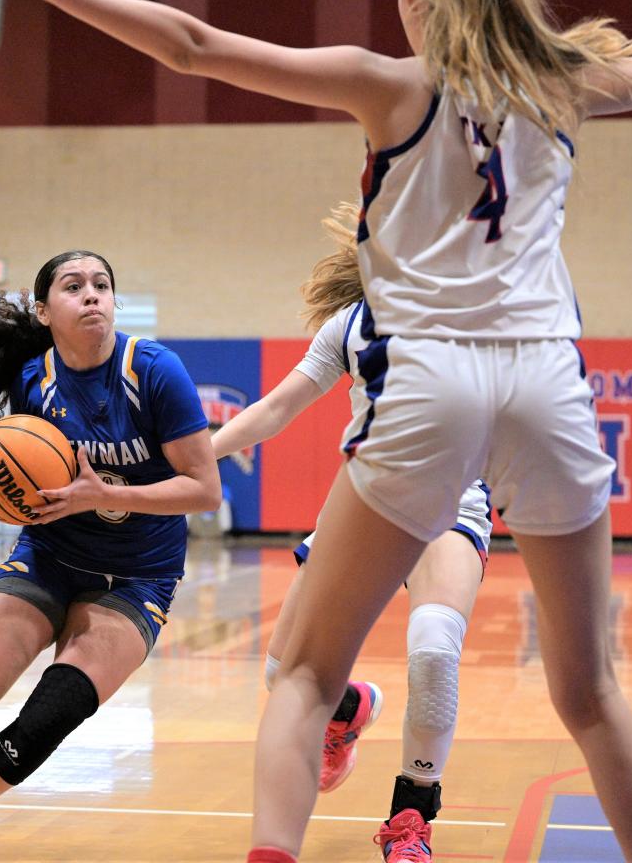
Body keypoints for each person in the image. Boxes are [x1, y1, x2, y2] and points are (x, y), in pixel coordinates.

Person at [0, 0, 632, 862]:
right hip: (549, 379)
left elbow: (192, 44)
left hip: (434, 381)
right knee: (591, 696)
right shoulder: (569, 81)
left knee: (301, 672)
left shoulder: (390, 84)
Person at [0, 250, 221, 863]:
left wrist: (106, 492)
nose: (92, 295)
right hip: (52, 552)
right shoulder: (33, 382)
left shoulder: (156, 372)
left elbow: (205, 491)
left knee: (52, 715)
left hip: (139, 574)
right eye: (74, 286)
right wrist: (3, 493)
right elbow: (25, 474)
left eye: (103, 285)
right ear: (43, 310)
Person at [211, 207, 492, 857]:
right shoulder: (351, 324)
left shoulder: (483, 316)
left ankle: (411, 819)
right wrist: (203, 452)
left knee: (433, 650)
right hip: (363, 504)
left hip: (451, 506)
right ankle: (346, 712)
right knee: (283, 673)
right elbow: (277, 407)